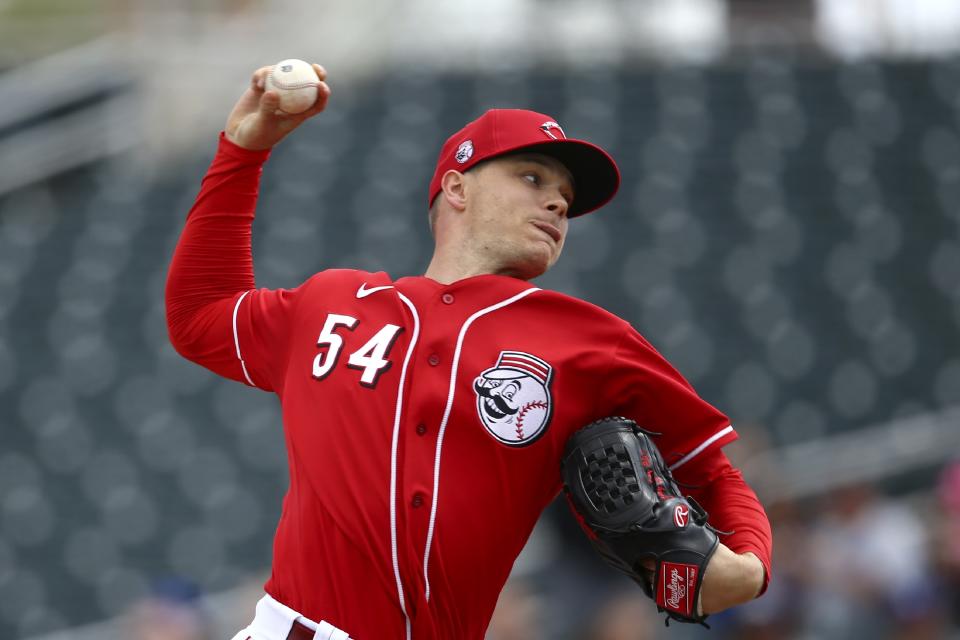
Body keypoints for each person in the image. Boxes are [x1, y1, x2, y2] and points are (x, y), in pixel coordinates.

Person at [166, 62, 773, 640]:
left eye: (565, 196)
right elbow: (198, 315)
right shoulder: (331, 305)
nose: (559, 204)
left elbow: (711, 470)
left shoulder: (590, 342)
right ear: (456, 187)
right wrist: (243, 152)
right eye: (533, 178)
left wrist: (749, 565)